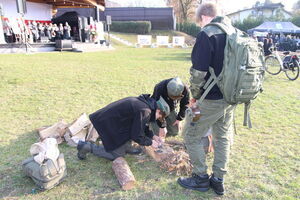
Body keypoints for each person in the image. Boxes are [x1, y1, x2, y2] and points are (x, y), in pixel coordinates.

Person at [177, 3, 236, 195]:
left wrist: (194, 97)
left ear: (203, 17)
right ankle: (218, 180)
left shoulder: (207, 34)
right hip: (230, 98)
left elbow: (198, 72)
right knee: (222, 138)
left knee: (191, 135)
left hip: (209, 100)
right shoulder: (234, 32)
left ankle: (201, 178)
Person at [77, 94, 170, 161]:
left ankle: (126, 146)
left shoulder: (147, 105)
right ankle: (87, 147)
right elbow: (136, 135)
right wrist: (150, 142)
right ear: (158, 111)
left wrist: (153, 136)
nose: (158, 119)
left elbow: (142, 125)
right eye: (160, 117)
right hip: (107, 123)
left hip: (114, 121)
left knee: (132, 128)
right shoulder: (145, 111)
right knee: (116, 155)